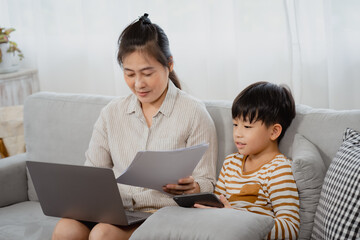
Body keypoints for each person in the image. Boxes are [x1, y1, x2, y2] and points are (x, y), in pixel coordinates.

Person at [52, 13, 217, 240]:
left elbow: (207, 182)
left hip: (162, 212)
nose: (138, 84)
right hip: (116, 210)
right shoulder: (112, 113)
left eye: (147, 73)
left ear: (169, 64)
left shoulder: (194, 113)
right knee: (66, 228)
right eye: (129, 74)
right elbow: (93, 173)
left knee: (102, 234)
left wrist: (193, 187)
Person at [195, 81, 300, 239]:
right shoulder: (231, 163)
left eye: (247, 127)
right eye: (235, 124)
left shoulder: (279, 170)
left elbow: (290, 228)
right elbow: (218, 203)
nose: (237, 133)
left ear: (274, 132)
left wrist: (238, 220)